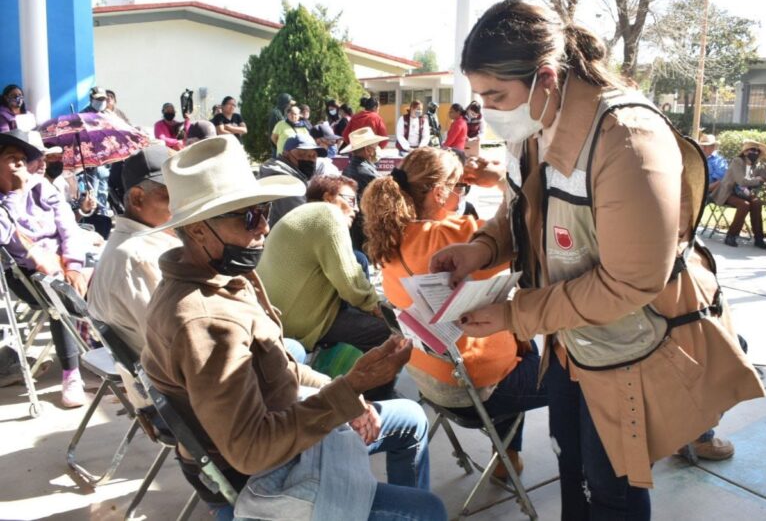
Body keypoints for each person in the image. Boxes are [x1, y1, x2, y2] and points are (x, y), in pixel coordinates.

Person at [430, 0, 764, 519]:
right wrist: (482, 248)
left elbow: (632, 283)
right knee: (572, 466)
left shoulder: (625, 138)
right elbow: (522, 210)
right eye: (481, 97)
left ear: (545, 78)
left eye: (496, 95)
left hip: (629, 347)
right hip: (570, 341)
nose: (488, 111)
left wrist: (516, 314)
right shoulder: (535, 126)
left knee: (611, 488)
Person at [139, 136, 443, 520]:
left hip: (279, 424)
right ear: (198, 230)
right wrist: (349, 389)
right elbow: (251, 451)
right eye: (248, 217)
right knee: (427, 510)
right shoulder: (206, 320)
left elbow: (282, 365)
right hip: (262, 472)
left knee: (413, 419)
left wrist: (345, 394)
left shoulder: (223, 275)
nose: (264, 226)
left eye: (263, 209)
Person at [361, 147, 549, 480]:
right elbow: (525, 222)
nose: (463, 194)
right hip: (473, 388)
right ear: (438, 193)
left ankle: (508, 455)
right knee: (568, 373)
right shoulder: (454, 235)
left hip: (429, 378)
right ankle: (533, 457)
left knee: (520, 347)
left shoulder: (388, 240)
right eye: (460, 186)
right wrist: (501, 182)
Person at [258, 174, 395, 399]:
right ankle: (373, 403)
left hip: (278, 313)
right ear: (329, 198)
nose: (356, 209)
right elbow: (351, 285)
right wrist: (378, 307)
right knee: (385, 333)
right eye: (350, 201)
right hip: (295, 322)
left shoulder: (304, 213)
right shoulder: (327, 213)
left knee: (359, 259)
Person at [0, 130, 92, 407]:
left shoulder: (44, 188)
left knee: (105, 275)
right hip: (27, 273)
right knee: (59, 299)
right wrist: (14, 194)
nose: (18, 163)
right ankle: (71, 373)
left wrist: (74, 266)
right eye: (10, 158)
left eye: (21, 158)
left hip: (63, 261)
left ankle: (102, 342)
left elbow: (69, 230)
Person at [87, 144, 179, 354]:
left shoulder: (135, 246)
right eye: (172, 196)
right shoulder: (140, 258)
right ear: (138, 198)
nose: (182, 205)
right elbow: (177, 345)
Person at [713, 140, 766, 248]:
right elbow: (741, 181)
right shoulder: (737, 161)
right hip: (729, 192)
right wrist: (757, 180)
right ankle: (731, 236)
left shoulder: (755, 165)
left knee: (757, 202)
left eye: (757, 151)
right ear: (745, 152)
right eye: (752, 150)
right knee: (744, 205)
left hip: (744, 193)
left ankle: (759, 238)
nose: (755, 153)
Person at [259, 133, 324, 225]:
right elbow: (302, 220)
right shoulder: (286, 182)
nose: (307, 159)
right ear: (285, 154)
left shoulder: (296, 175)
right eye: (301, 154)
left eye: (313, 156)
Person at [341, 127, 389, 251]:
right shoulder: (367, 173)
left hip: (354, 226)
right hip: (365, 227)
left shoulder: (348, 169)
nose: (376, 150)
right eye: (375, 147)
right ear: (368, 150)